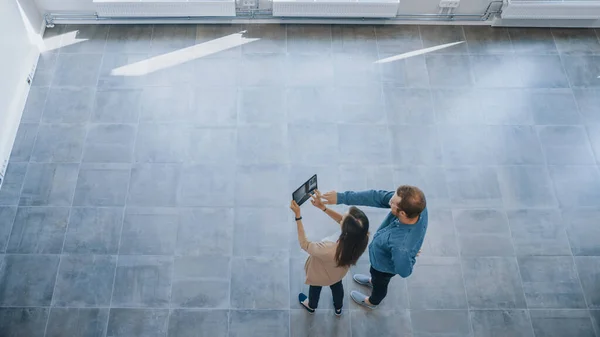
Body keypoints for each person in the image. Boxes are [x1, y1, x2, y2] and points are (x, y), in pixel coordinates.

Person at [320, 186, 427, 309]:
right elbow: (376, 196)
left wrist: (410, 253)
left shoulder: (402, 247)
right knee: (375, 277)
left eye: (392, 202)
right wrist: (341, 197)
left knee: (380, 284)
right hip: (382, 259)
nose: (389, 201)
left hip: (384, 268)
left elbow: (404, 271)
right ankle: (373, 281)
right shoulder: (417, 206)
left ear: (402, 213)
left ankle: (372, 302)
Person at [290, 190, 369, 316]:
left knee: (315, 289)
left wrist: (298, 216)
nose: (340, 217)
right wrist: (323, 208)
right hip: (339, 273)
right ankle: (338, 308)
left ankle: (311, 306)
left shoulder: (328, 249)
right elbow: (344, 222)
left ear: (346, 230)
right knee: (337, 287)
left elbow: (304, 244)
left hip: (320, 275)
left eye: (343, 217)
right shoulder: (362, 236)